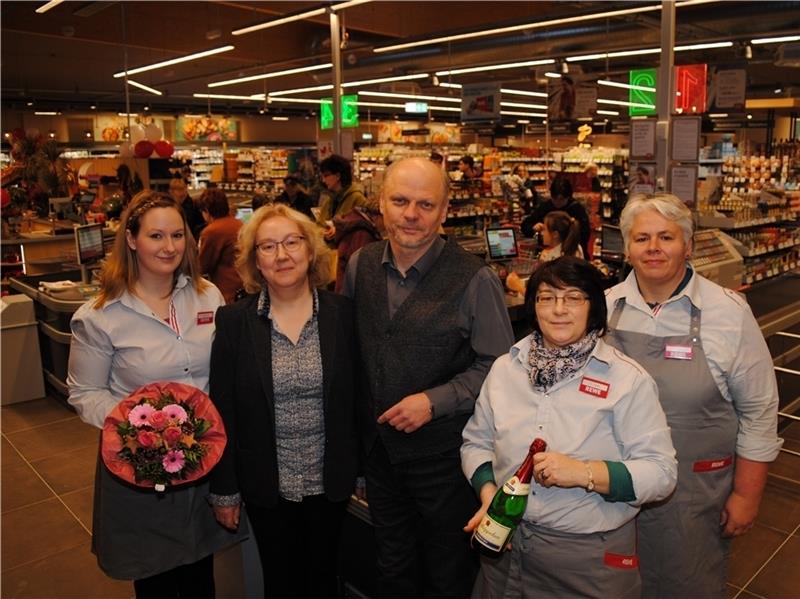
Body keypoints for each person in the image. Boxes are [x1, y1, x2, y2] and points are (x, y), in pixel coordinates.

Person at [342, 156, 515, 598]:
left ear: (443, 211)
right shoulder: (359, 266)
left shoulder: (475, 278)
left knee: (448, 572)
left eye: (425, 203)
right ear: (380, 203)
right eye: (400, 200)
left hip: (445, 460)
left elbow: (498, 368)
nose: (411, 214)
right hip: (380, 457)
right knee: (393, 566)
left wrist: (434, 401)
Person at [462, 256, 677, 599]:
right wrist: (491, 497)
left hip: (586, 560)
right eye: (547, 297)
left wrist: (584, 472)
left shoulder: (626, 380)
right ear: (534, 307)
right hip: (505, 546)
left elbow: (662, 473)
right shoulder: (507, 368)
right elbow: (476, 441)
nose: (559, 309)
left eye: (574, 297)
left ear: (594, 307)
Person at [605, 194, 783, 599]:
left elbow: (759, 411)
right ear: (627, 247)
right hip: (612, 488)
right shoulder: (604, 308)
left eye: (666, 237)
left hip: (693, 497)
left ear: (687, 246)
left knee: (686, 583)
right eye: (641, 237)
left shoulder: (728, 312)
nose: (653, 248)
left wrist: (746, 494)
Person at [67, 191, 244, 598]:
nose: (169, 247)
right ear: (131, 240)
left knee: (202, 573)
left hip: (204, 459)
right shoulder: (101, 315)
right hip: (140, 465)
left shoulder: (207, 295)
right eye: (156, 236)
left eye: (178, 236)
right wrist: (146, 421)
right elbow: (85, 394)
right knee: (156, 579)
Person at [208, 203, 360, 599]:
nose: (282, 255)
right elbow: (222, 410)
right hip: (266, 484)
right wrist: (225, 490)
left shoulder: (343, 315)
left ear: (311, 251)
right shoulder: (234, 323)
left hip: (330, 481)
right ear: (255, 261)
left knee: (324, 579)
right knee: (280, 581)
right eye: (268, 246)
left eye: (292, 242)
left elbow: (359, 398)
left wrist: (362, 471)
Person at [521, 176, 591, 258]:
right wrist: (533, 227)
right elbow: (525, 225)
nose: (558, 202)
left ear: (568, 197)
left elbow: (585, 235)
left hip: (569, 252)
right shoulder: (545, 207)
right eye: (555, 199)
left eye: (561, 199)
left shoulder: (577, 209)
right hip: (548, 250)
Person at [197, 188, 243, 305]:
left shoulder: (212, 231)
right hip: (243, 287)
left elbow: (202, 266)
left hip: (226, 291)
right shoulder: (240, 225)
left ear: (206, 210)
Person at [331, 201, 382, 293]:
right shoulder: (362, 235)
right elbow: (361, 273)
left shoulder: (354, 222)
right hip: (351, 295)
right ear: (377, 216)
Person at [317, 154, 369, 242]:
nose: (323, 180)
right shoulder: (329, 200)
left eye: (326, 176)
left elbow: (365, 228)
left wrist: (340, 230)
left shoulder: (357, 198)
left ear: (338, 176)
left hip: (348, 252)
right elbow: (318, 226)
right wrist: (324, 233)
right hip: (331, 252)